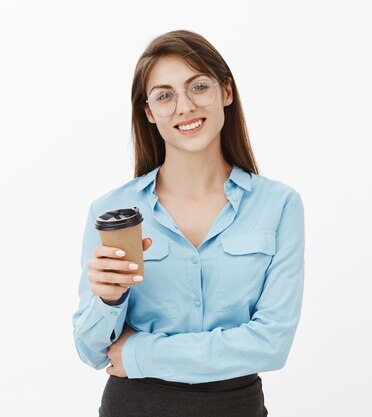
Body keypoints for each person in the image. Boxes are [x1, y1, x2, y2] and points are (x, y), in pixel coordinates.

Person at [72, 29, 305, 417]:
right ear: (148, 112)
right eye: (164, 95)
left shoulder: (279, 205)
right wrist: (109, 299)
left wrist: (141, 351)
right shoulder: (113, 209)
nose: (184, 106)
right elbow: (91, 349)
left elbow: (271, 343)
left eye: (198, 86)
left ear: (226, 92)